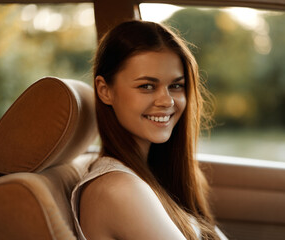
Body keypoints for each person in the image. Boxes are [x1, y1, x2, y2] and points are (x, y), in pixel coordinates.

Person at [71, 20, 227, 240]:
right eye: (146, 86)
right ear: (105, 91)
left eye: (176, 85)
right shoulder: (118, 188)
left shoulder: (153, 173)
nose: (167, 101)